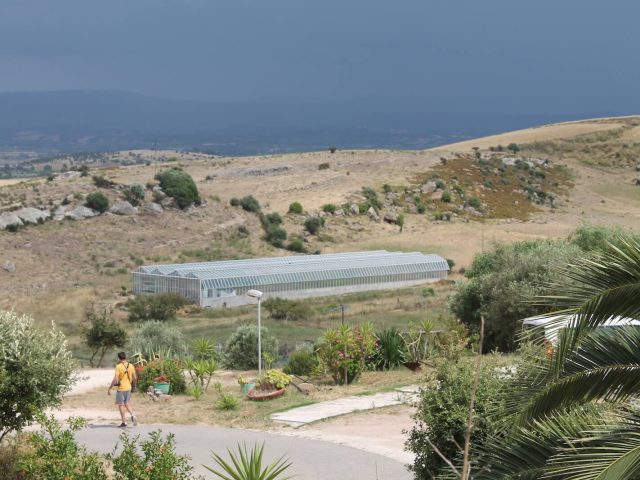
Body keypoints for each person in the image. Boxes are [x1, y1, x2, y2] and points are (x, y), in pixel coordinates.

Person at [108, 351, 138, 428]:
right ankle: (133, 415)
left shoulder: (118, 366)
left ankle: (124, 422)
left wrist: (110, 388)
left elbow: (115, 378)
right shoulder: (131, 366)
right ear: (125, 357)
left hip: (121, 389)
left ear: (119, 358)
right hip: (129, 388)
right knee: (127, 403)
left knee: (121, 405)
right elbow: (135, 378)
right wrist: (134, 386)